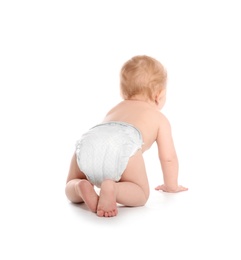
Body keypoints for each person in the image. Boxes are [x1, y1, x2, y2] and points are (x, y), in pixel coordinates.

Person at [65, 55, 188, 217]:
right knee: (140, 193)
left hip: (90, 141)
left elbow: (106, 138)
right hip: (124, 144)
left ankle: (79, 186)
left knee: (70, 184)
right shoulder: (159, 118)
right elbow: (168, 158)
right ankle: (113, 188)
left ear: (123, 91)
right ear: (159, 95)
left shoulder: (114, 109)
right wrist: (171, 185)